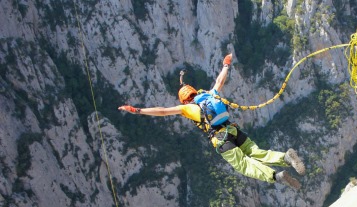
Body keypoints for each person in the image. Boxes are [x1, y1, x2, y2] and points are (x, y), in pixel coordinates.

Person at [119, 53, 305, 189]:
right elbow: (219, 81)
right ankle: (285, 157)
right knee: (256, 152)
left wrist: (138, 110)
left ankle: (276, 176)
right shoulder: (209, 95)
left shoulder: (187, 108)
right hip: (233, 130)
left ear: (184, 100)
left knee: (244, 165)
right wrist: (226, 64)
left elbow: (163, 111)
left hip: (221, 140)